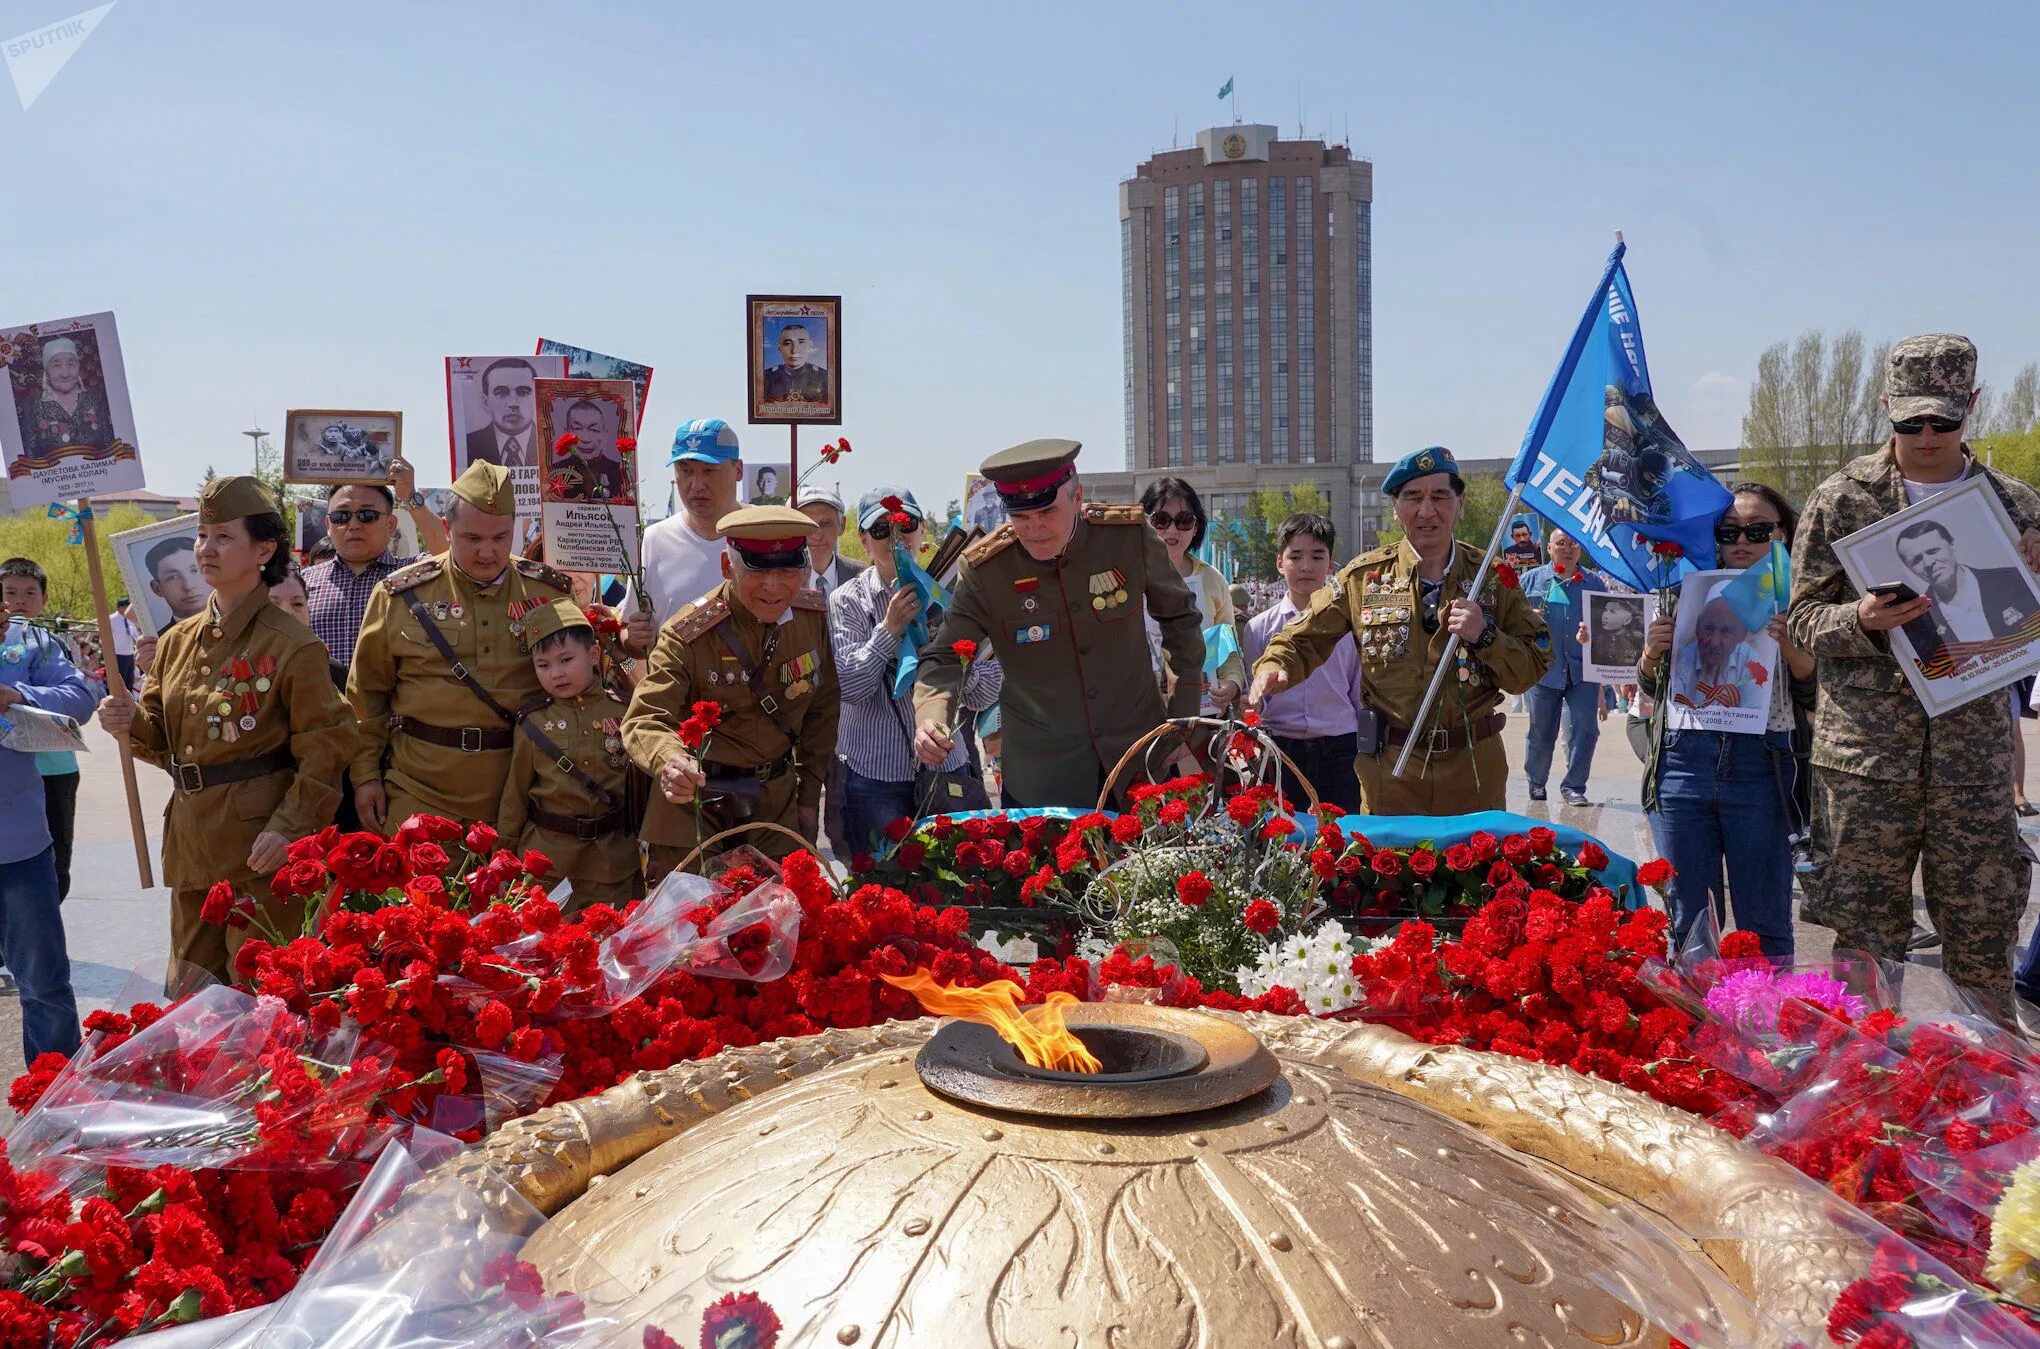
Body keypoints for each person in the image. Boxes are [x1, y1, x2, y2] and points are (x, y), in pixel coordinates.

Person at [1790, 333, 2040, 1017]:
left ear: (1973, 407)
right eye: (1910, 422)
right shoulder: (1841, 499)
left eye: (1944, 420)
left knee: (1982, 936)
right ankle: (1858, 1089)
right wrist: (1862, 621)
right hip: (1869, 763)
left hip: (1973, 765)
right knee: (1866, 943)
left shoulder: (2016, 506)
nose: (1927, 436)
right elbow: (1803, 618)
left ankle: (1985, 1100)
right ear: (1886, 408)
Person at [96, 477, 352, 983]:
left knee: (259, 1001)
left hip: (258, 850)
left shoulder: (292, 646)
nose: (206, 549)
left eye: (223, 537)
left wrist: (290, 828)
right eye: (202, 535)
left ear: (264, 549)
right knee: (191, 1003)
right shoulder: (176, 643)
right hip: (192, 845)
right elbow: (163, 739)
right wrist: (128, 722)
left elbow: (328, 749)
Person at [1249, 446, 1550, 814]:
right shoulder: (1363, 579)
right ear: (1396, 508)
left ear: (1460, 503)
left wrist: (1486, 636)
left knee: (1474, 869)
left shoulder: (1492, 577)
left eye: (1440, 496)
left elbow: (1532, 666)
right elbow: (1302, 635)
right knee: (1388, 869)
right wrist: (1274, 664)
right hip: (1391, 773)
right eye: (1413, 497)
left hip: (1472, 770)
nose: (1426, 511)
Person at [913, 439, 1203, 808]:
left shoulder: (1127, 539)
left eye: (1046, 512)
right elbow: (944, 657)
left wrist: (1181, 718)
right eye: (1020, 517)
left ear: (1077, 497)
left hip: (1138, 761)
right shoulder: (988, 570)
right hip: (1042, 779)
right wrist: (931, 718)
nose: (1033, 529)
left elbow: (1181, 619)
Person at [347, 461, 576, 835]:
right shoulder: (400, 595)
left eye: (500, 538)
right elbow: (366, 698)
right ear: (446, 529)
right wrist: (365, 776)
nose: (487, 552)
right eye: (472, 539)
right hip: (420, 793)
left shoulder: (549, 592)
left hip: (521, 795)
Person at [1636, 483, 1813, 962]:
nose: (1742, 541)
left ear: (1784, 534)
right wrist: (1653, 652)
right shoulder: (1684, 591)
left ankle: (1767, 1026)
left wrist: (1792, 646)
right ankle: (1696, 1028)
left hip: (1762, 765)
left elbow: (1818, 696)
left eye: (1758, 530)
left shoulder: (1804, 599)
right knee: (1689, 918)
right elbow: (1652, 690)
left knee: (1763, 919)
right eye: (1729, 530)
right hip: (1684, 762)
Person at [624, 506, 839, 883]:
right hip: (693, 805)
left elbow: (822, 711)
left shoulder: (810, 619)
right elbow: (645, 718)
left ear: (804, 570)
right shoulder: (689, 633)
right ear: (727, 565)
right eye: (757, 571)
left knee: (778, 930)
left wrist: (808, 799)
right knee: (691, 931)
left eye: (787, 571)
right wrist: (670, 759)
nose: (773, 587)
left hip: (774, 806)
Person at [832, 488, 1001, 854]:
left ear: (922, 531)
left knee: (953, 889)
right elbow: (851, 687)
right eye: (881, 530)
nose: (896, 538)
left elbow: (988, 691)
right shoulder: (848, 600)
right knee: (881, 890)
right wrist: (890, 630)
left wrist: (950, 659)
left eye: (905, 525)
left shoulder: (953, 596)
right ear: (863, 541)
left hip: (947, 767)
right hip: (876, 775)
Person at [498, 600, 642, 910]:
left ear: (592, 655)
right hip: (548, 864)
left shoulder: (625, 710)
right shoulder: (533, 721)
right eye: (543, 665)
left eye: (566, 659)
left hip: (612, 862)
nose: (556, 674)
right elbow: (515, 796)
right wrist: (504, 860)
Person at [0, 583, 93, 1059]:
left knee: (44, 986)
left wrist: (16, 694)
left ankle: (53, 1099)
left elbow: (82, 696)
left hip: (18, 852)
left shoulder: (28, 645)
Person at [1241, 514, 1364, 815]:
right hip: (1281, 751)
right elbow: (1254, 696)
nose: (1306, 566)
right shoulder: (1258, 628)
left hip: (1341, 749)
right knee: (1284, 842)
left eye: (1317, 556)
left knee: (1341, 841)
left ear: (1331, 563)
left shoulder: (1352, 626)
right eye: (1295, 556)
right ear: (1280, 563)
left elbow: (1359, 693)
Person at [0, 559, 90, 905]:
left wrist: (21, 695)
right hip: (10, 781)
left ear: (44, 599)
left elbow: (81, 699)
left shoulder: (47, 644)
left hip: (54, 769)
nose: (18, 600)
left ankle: (44, 919)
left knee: (55, 859)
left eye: (28, 593)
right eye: (10, 592)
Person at [625, 418, 742, 638]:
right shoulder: (654, 540)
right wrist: (632, 642)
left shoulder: (765, 532)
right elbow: (629, 638)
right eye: (685, 471)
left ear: (738, 470)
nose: (697, 485)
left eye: (709, 471)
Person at [1139, 477, 1245, 718]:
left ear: (1196, 528)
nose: (1172, 530)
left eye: (1184, 521)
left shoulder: (1212, 580)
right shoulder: (1125, 579)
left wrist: (1232, 683)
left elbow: (1228, 648)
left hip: (1201, 715)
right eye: (1161, 520)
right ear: (1143, 522)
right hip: (1140, 716)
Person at [1519, 529, 1608, 806]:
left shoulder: (1594, 584)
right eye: (1561, 544)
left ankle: (1574, 786)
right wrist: (1527, 618)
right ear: (1548, 548)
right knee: (1542, 732)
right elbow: (1509, 621)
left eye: (1573, 545)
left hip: (1583, 671)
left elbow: (1609, 629)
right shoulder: (1531, 581)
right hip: (1543, 670)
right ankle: (1536, 782)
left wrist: (1591, 635)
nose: (1567, 550)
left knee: (1586, 729)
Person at [1891, 519, 2036, 675]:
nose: (1928, 562)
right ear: (1909, 568)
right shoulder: (1917, 620)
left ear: (1952, 546)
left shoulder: (2014, 580)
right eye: (1917, 560)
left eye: (1933, 551)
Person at [18, 336, 116, 459]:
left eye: (71, 364)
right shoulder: (32, 405)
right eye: (56, 365)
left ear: (78, 366)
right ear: (46, 370)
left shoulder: (97, 397)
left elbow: (111, 445)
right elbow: (29, 455)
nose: (65, 374)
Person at [465, 357, 541, 469]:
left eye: (523, 392)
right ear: (486, 402)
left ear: (537, 398)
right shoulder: (468, 446)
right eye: (501, 393)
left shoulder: (552, 445)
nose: (513, 403)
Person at [548, 400, 631, 503]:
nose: (586, 439)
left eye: (594, 429)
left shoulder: (620, 472)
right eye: (577, 428)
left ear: (605, 435)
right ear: (566, 433)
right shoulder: (554, 471)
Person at [796, 487, 864, 598]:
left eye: (825, 523)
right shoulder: (781, 581)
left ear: (842, 525)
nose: (817, 535)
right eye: (807, 524)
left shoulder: (862, 577)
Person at [146, 535, 208, 625]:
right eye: (173, 577)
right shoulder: (161, 639)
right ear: (157, 588)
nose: (189, 586)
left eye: (195, 571)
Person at [762, 325, 828, 404]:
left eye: (801, 342)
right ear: (779, 348)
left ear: (810, 345)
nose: (795, 350)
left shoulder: (825, 377)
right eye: (788, 343)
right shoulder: (765, 377)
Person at [1589, 595, 1645, 670]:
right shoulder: (1598, 640)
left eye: (1612, 612)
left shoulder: (1635, 641)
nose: (1605, 616)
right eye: (1605, 610)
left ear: (1627, 620)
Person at [110, 597, 139, 690]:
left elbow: (135, 636)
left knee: (129, 682)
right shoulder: (112, 619)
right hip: (118, 655)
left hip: (130, 654)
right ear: (120, 607)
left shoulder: (130, 619)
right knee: (120, 683)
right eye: (127, 606)